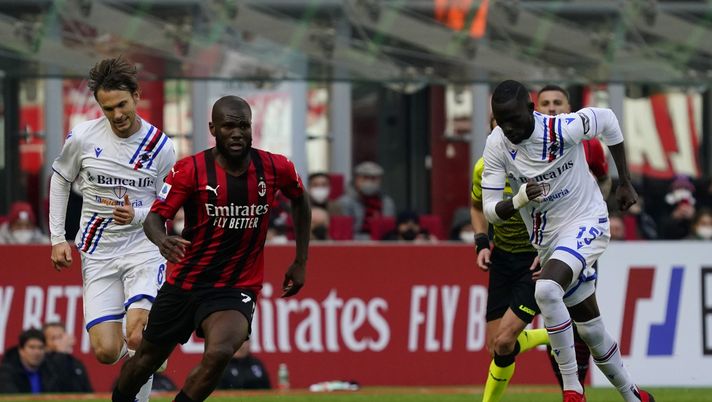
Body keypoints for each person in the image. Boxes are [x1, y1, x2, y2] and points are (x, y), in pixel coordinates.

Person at [111, 95, 311, 402]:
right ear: (213, 128)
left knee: (219, 352)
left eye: (243, 126)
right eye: (228, 125)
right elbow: (155, 218)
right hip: (186, 283)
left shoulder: (275, 167)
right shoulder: (189, 170)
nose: (237, 133)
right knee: (146, 361)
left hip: (236, 285)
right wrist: (162, 240)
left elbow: (300, 198)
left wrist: (300, 260)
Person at [482, 80, 654, 402]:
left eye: (514, 121)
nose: (509, 129)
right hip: (548, 241)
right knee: (591, 330)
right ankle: (636, 397)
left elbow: (609, 121)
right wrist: (519, 199)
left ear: (531, 110)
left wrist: (625, 182)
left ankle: (572, 389)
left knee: (546, 289)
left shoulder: (563, 128)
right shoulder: (496, 145)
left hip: (587, 221)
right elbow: (491, 212)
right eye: (502, 122)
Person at [48, 56, 176, 402]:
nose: (117, 115)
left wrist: (136, 215)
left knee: (136, 336)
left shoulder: (161, 148)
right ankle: (153, 351)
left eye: (122, 105)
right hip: (97, 250)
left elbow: (168, 205)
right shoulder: (84, 137)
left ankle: (140, 383)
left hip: (143, 249)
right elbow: (60, 179)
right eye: (108, 109)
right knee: (106, 350)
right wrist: (58, 238)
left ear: (136, 95)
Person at [536, 84, 612, 389]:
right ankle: (567, 386)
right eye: (545, 103)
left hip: (579, 240)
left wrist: (594, 214)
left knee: (582, 316)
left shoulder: (589, 144)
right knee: (552, 315)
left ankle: (575, 384)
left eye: (558, 102)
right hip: (543, 243)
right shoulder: (528, 145)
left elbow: (604, 178)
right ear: (536, 109)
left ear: (569, 109)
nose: (552, 108)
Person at [471, 121, 549, 402]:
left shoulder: (542, 166)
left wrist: (550, 248)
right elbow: (476, 205)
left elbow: (564, 207)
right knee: (497, 348)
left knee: (505, 341)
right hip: (502, 258)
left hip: (534, 260)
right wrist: (482, 242)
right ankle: (551, 335)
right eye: (497, 128)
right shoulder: (483, 168)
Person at [338, 161, 395, 240]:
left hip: (382, 246)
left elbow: (389, 231)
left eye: (373, 178)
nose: (369, 182)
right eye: (365, 178)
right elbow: (345, 233)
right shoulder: (345, 202)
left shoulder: (386, 202)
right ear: (356, 179)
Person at [0, 329, 63, 393]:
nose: (37, 352)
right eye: (32, 347)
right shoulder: (6, 373)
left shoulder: (50, 371)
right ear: (21, 351)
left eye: (40, 348)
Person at [42, 322, 93, 392]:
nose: (60, 341)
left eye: (61, 337)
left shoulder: (76, 364)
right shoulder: (42, 364)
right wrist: (61, 352)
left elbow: (88, 392)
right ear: (45, 344)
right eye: (54, 338)